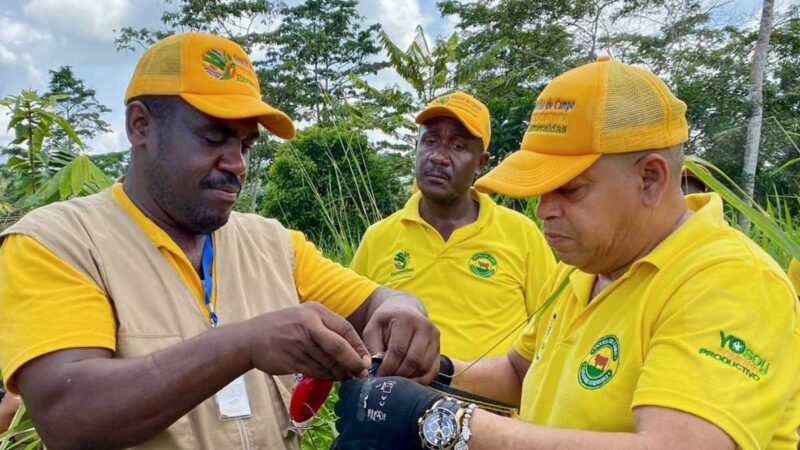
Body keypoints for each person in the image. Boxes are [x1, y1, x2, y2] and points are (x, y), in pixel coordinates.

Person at [334, 56, 800, 450]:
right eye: (540, 191)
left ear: (651, 178)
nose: (544, 211)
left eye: (570, 190)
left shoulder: (729, 280)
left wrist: (442, 420)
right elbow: (520, 370)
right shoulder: (590, 266)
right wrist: (433, 372)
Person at [0, 32, 440, 450]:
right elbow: (67, 417)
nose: (238, 164)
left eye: (247, 144)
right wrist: (243, 345)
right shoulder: (58, 243)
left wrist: (402, 309)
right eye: (214, 137)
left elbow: (374, 302)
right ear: (140, 126)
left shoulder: (274, 245)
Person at [350, 92, 555, 361]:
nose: (438, 157)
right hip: (395, 396)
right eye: (430, 141)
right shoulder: (378, 237)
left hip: (489, 400)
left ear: (481, 163)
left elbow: (551, 327)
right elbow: (352, 324)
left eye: (457, 146)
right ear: (417, 147)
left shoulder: (521, 233)